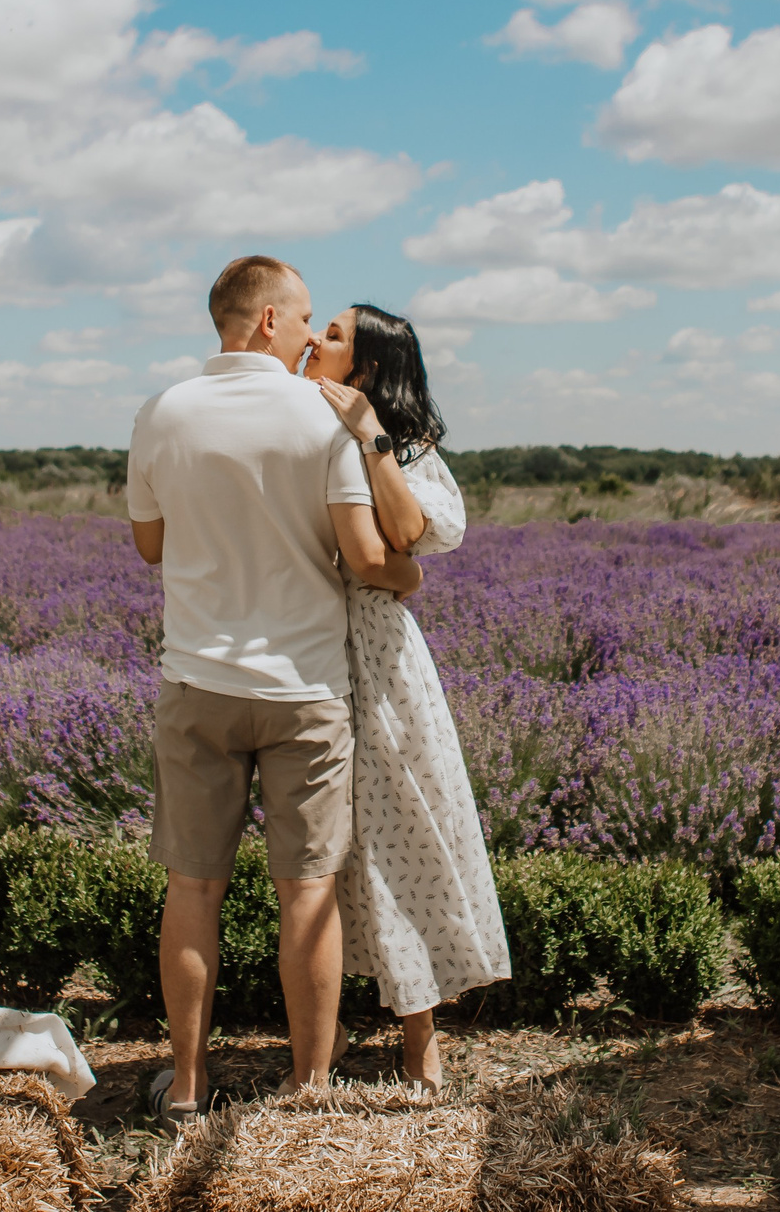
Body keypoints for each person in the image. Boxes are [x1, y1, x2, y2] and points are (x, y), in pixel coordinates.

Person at [125, 256, 420, 1131]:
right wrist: (405, 572)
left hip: (200, 681)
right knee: (307, 891)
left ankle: (184, 1084)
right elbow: (364, 551)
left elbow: (149, 545)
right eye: (302, 322)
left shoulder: (160, 411)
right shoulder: (320, 415)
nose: (308, 338)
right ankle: (310, 1087)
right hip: (306, 689)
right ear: (265, 322)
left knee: (193, 887)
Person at [304, 304, 509, 1092]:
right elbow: (394, 556)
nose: (314, 340)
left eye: (333, 335)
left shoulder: (403, 445)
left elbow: (419, 528)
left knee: (403, 830)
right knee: (321, 849)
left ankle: (419, 1029)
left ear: (366, 370)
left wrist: (372, 437)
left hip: (381, 660)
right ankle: (333, 1014)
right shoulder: (292, 420)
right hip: (304, 645)